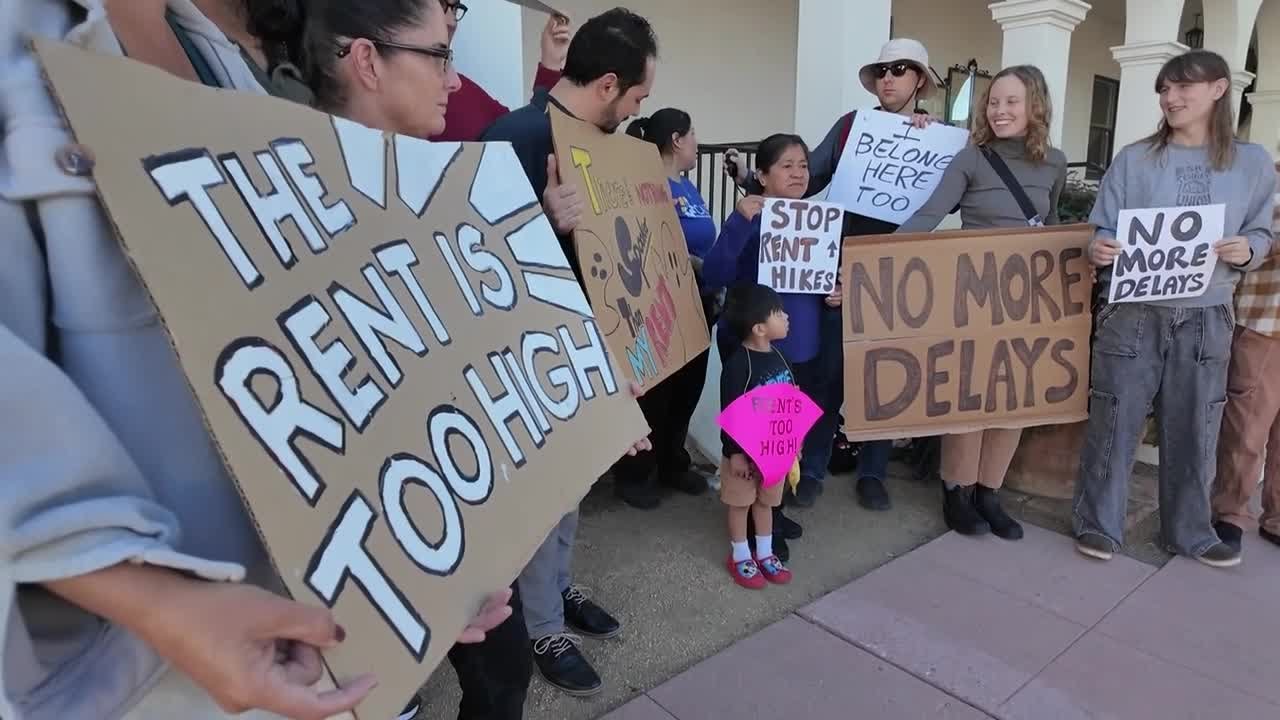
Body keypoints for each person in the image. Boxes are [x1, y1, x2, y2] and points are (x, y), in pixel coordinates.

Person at [0, 2, 511, 720]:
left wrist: (409, 583)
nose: (454, 80)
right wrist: (163, 605)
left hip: (312, 650)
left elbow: (318, 368)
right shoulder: (20, 39)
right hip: (151, 686)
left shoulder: (225, 61)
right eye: (439, 55)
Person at [479, 7, 657, 698]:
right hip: (527, 361)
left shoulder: (597, 146)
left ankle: (551, 592)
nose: (640, 108)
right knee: (538, 500)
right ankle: (538, 624)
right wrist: (541, 228)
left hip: (587, 352)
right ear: (609, 84)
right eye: (639, 96)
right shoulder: (518, 137)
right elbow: (474, 261)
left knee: (569, 494)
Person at [1078, 50, 1277, 568]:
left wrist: (1249, 249)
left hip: (1209, 313)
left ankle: (1190, 531)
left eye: (1183, 87)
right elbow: (1103, 227)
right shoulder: (1134, 158)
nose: (1170, 97)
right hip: (1132, 310)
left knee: (1196, 426)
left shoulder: (1253, 162)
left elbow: (1263, 231)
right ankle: (1099, 524)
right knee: (1114, 418)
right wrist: (1099, 248)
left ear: (1218, 89)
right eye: (1164, 89)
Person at [725, 38, 940, 511]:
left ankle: (874, 472)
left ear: (919, 80)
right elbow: (810, 176)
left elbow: (952, 191)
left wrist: (932, 137)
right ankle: (816, 468)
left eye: (900, 69)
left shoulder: (938, 137)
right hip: (839, 267)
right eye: (882, 69)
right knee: (828, 372)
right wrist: (751, 183)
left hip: (898, 272)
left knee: (887, 374)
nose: (888, 77)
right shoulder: (850, 129)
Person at [896, 64, 1069, 542]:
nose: (999, 111)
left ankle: (990, 493)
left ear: (1035, 106)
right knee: (971, 397)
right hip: (972, 296)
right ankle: (958, 490)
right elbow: (929, 215)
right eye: (993, 101)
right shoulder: (970, 159)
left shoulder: (1054, 163)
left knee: (1013, 398)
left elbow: (1050, 224)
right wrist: (870, 260)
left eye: (1011, 101)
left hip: (1027, 301)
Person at [701, 133, 817, 560]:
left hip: (797, 343)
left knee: (784, 433)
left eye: (803, 165)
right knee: (751, 438)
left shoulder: (814, 222)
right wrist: (737, 222)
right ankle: (747, 522)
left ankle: (771, 512)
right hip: (750, 348)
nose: (798, 173)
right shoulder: (749, 218)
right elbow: (713, 273)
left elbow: (821, 282)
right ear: (762, 176)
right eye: (786, 165)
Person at [606, 108, 718, 508]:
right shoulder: (644, 184)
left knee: (688, 388)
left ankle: (674, 463)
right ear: (676, 139)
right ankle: (636, 473)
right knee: (656, 393)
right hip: (659, 303)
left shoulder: (687, 188)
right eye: (693, 135)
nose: (696, 143)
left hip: (700, 303)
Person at [1212, 160, 1280, 556]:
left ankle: (1276, 516)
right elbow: (1250, 244)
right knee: (1246, 431)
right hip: (1265, 321)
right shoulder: (1263, 180)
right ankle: (1231, 514)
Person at [718, 284, 797, 589]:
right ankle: (740, 555)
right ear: (760, 328)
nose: (787, 317)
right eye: (779, 313)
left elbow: (792, 401)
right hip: (743, 455)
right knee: (740, 504)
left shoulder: (781, 357)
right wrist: (734, 452)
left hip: (775, 453)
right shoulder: (739, 365)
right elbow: (730, 412)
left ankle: (764, 553)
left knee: (766, 504)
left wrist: (795, 441)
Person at [434, 0, 573, 141]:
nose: (451, 23)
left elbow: (524, 134)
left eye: (455, 9)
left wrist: (551, 63)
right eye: (440, 5)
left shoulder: (462, 90)